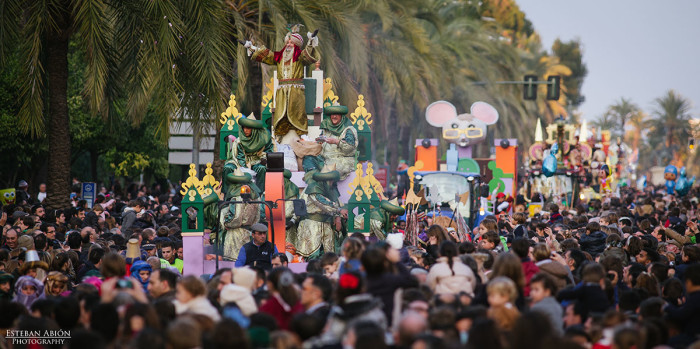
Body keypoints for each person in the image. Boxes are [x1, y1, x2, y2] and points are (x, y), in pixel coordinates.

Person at [246, 24, 320, 142]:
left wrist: (310, 42)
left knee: (298, 112)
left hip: (296, 91)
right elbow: (267, 55)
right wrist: (252, 48)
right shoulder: (279, 57)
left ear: (296, 45)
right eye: (287, 42)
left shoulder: (299, 57)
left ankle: (302, 135)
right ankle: (279, 134)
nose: (289, 45)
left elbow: (308, 54)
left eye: (291, 43)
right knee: (280, 112)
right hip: (281, 90)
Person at [297, 164, 345, 257]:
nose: (332, 182)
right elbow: (323, 203)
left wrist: (338, 218)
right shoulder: (313, 189)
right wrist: (339, 211)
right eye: (330, 179)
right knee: (313, 255)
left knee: (329, 256)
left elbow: (337, 204)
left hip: (327, 226)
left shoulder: (331, 191)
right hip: (312, 226)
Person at [313, 103, 358, 180]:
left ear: (341, 116)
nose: (334, 116)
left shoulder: (348, 130)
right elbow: (321, 140)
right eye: (332, 114)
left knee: (327, 175)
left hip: (342, 161)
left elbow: (349, 147)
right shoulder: (326, 128)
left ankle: (327, 190)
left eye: (337, 114)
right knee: (308, 160)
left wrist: (336, 142)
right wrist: (319, 142)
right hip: (325, 159)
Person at [233, 115, 275, 190]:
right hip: (244, 163)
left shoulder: (263, 140)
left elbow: (269, 152)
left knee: (261, 169)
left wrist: (263, 159)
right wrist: (247, 166)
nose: (245, 130)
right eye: (244, 127)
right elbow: (240, 157)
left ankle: (260, 193)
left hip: (258, 161)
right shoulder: (239, 141)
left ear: (254, 129)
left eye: (248, 128)